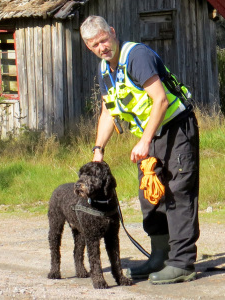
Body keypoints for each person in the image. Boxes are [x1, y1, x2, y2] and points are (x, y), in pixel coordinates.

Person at [80, 15, 200, 284]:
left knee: (178, 194)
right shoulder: (104, 69)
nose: (102, 47)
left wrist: (144, 140)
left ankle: (182, 263)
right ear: (88, 47)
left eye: (103, 40)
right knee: (151, 195)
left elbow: (159, 100)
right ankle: (160, 256)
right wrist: (98, 148)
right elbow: (108, 112)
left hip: (175, 128)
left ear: (112, 32)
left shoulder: (136, 56)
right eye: (94, 44)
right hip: (149, 136)